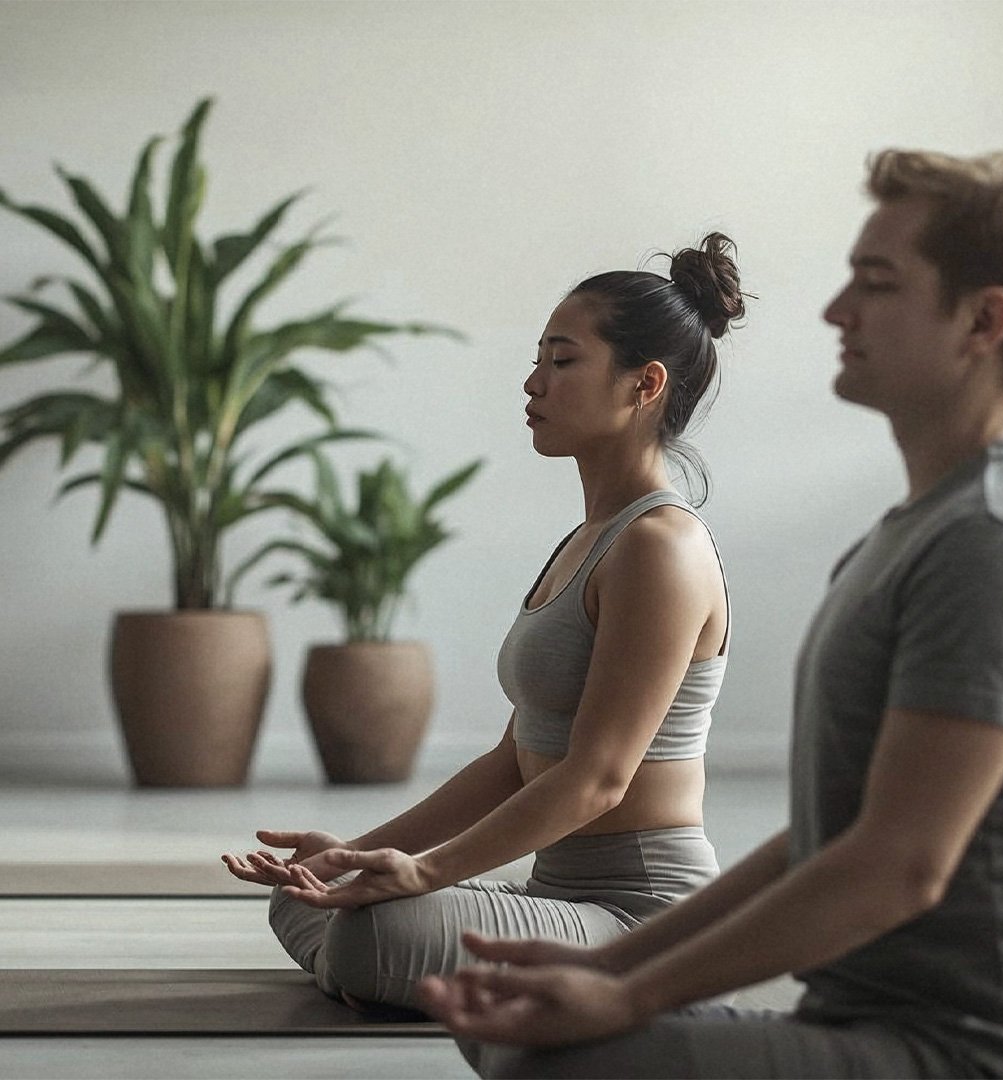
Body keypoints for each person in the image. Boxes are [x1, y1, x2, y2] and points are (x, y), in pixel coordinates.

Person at [419, 149, 1003, 1079]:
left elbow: (899, 865)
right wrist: (600, 967)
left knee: (545, 1062)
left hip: (977, 1052)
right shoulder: (921, 530)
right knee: (507, 1018)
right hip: (855, 1012)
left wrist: (629, 992)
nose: (835, 310)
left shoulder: (991, 545)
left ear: (984, 320)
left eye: (876, 283)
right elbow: (832, 834)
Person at [221, 233, 748, 1012]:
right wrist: (363, 854)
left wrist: (426, 875)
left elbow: (599, 780)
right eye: (537, 358)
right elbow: (515, 758)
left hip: (642, 919)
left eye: (563, 361)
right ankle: (374, 959)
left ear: (645, 383)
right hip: (559, 897)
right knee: (308, 894)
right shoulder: (589, 542)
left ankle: (370, 966)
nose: (533, 382)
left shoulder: (661, 549)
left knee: (376, 933)